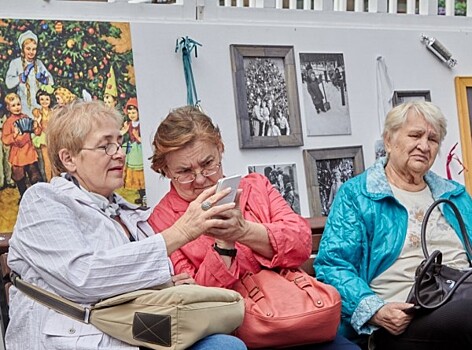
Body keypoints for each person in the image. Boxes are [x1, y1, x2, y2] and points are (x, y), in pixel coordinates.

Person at [6, 100, 247, 350]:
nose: (119, 153)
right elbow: (84, 276)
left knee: (225, 344)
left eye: (119, 143)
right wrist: (182, 231)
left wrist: (166, 284)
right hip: (76, 341)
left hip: (133, 335)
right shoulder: (43, 200)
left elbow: (143, 275)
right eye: (106, 146)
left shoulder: (128, 213)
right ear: (69, 158)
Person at [149, 105, 360, 350]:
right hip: (236, 331)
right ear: (164, 170)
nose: (199, 179)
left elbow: (301, 243)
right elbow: (197, 300)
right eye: (184, 172)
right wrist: (224, 246)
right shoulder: (161, 222)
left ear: (220, 149)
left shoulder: (255, 186)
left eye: (208, 164)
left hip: (294, 316)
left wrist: (243, 231)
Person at [314, 100, 472, 350]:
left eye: (433, 139)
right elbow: (333, 265)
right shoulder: (358, 195)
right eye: (415, 135)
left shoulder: (454, 195)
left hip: (462, 292)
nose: (424, 145)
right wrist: (375, 310)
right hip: (405, 317)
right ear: (388, 141)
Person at [1, 92, 42, 201]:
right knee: (19, 177)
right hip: (17, 154)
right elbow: (5, 139)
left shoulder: (26, 117)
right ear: (8, 107)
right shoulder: (8, 123)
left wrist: (37, 125)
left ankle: (38, 196)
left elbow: (36, 132)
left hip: (29, 151)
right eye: (13, 105)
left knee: (34, 174)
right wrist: (14, 135)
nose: (17, 107)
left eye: (18, 104)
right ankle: (24, 196)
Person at [5, 30, 54, 118]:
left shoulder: (39, 63)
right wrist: (20, 78)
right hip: (23, 105)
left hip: (39, 104)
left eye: (34, 49)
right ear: (23, 49)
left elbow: (51, 82)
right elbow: (8, 83)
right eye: (28, 49)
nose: (31, 52)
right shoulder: (16, 63)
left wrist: (44, 79)